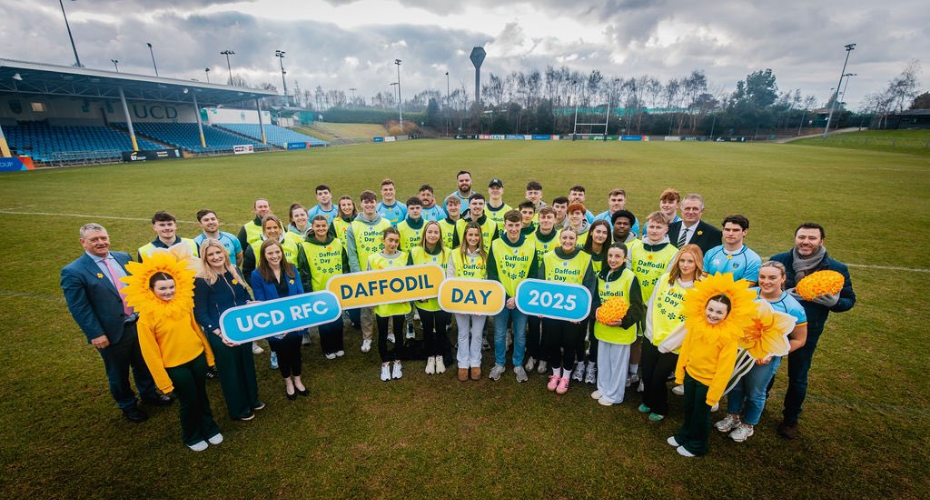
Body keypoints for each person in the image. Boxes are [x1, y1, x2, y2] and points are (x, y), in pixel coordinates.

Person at [61, 223, 170, 424]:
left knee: (144, 363)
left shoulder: (123, 257)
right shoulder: (73, 271)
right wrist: (95, 333)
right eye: (94, 239)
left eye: (103, 238)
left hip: (138, 325)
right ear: (82, 242)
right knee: (118, 372)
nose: (101, 242)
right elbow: (79, 307)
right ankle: (128, 405)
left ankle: (149, 395)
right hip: (110, 332)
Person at [121, 251, 221, 452]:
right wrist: (163, 383)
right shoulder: (146, 319)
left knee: (202, 395)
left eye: (171, 287)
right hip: (176, 367)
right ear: (151, 289)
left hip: (197, 359)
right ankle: (192, 435)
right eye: (162, 288)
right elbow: (150, 354)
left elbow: (198, 332)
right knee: (188, 401)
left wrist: (209, 356)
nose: (168, 292)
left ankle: (209, 428)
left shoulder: (184, 305)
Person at [771, 222, 855, 439]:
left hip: (808, 329)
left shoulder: (836, 269)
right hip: (777, 324)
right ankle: (756, 406)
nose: (805, 242)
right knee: (767, 368)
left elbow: (849, 300)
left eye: (811, 238)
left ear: (821, 241)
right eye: (801, 237)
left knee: (798, 375)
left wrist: (834, 303)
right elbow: (764, 284)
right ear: (795, 238)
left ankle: (790, 419)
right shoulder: (780, 260)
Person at [715, 261, 808, 443]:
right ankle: (733, 416)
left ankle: (748, 425)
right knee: (736, 384)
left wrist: (772, 353)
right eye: (762, 277)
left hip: (764, 358)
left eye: (772, 278)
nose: (766, 281)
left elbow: (800, 339)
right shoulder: (747, 295)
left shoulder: (793, 307)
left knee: (755, 391)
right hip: (739, 351)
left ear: (783, 279)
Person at [193, 239, 263, 421]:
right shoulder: (202, 280)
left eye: (218, 253)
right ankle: (239, 409)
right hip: (221, 333)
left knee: (246, 364)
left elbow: (243, 295)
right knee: (230, 371)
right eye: (211, 255)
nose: (216, 257)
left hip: (242, 327)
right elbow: (200, 313)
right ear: (205, 258)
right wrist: (218, 332)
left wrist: (249, 302)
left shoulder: (233, 270)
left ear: (224, 253)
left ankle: (252, 399)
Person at [669, 293, 741, 458]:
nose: (713, 315)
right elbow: (685, 350)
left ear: (727, 314)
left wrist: (714, 395)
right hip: (691, 376)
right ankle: (684, 435)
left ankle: (697, 445)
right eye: (710, 309)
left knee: (700, 414)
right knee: (688, 408)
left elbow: (725, 369)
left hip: (707, 383)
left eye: (719, 312)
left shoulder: (729, 337)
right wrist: (680, 375)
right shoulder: (696, 325)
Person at [640, 245, 703, 422]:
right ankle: (647, 400)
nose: (685, 265)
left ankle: (660, 407)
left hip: (674, 343)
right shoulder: (665, 279)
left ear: (697, 263)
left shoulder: (700, 288)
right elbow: (652, 304)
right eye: (682, 260)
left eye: (690, 261)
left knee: (659, 377)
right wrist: (650, 331)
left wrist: (671, 342)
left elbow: (690, 323)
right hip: (652, 336)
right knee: (647, 373)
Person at [538, 227, 596, 395]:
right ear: (560, 238)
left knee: (570, 344)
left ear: (576, 239)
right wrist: (541, 308)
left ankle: (566, 376)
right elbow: (541, 282)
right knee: (553, 343)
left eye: (571, 238)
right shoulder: (548, 257)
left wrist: (581, 312)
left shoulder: (585, 258)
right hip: (552, 311)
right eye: (565, 237)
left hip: (573, 313)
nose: (568, 241)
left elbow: (589, 286)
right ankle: (556, 374)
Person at [250, 239, 308, 400]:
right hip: (275, 323)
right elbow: (261, 301)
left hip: (295, 319)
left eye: (277, 252)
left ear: (281, 252)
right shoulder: (257, 274)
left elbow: (300, 293)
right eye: (270, 253)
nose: (275, 256)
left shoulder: (291, 268)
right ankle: (288, 382)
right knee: (282, 354)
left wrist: (299, 319)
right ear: (264, 255)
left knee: (295, 351)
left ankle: (297, 379)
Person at [627, 212, 678, 387]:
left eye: (658, 227)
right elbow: (627, 274)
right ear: (646, 227)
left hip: (654, 306)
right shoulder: (634, 247)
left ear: (666, 229)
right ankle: (632, 372)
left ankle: (645, 377)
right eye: (651, 226)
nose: (654, 230)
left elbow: (667, 281)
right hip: (633, 303)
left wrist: (652, 302)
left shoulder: (673, 252)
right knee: (633, 338)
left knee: (650, 342)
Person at [487, 210, 538, 382]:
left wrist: (517, 297)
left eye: (517, 225)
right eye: (510, 225)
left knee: (520, 333)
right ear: (505, 225)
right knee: (500, 333)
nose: (514, 229)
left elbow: (533, 274)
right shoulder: (495, 245)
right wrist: (505, 295)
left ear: (522, 224)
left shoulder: (531, 245)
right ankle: (499, 363)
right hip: (501, 298)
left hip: (521, 300)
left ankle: (518, 364)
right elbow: (492, 273)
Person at [590, 242, 644, 406]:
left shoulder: (630, 277)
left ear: (625, 258)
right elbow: (595, 299)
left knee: (618, 364)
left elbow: (637, 307)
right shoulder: (601, 275)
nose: (613, 260)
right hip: (603, 328)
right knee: (604, 361)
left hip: (621, 331)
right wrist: (596, 312)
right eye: (610, 256)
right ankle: (603, 387)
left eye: (617, 256)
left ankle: (615, 395)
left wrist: (623, 321)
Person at [346, 190, 392, 353]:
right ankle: (367, 337)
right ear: (361, 204)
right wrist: (358, 274)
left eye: (372, 201)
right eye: (366, 201)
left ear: (376, 203)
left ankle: (390, 332)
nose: (369, 204)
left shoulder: (386, 223)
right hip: (364, 274)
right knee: (366, 308)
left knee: (387, 304)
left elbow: (392, 247)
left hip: (384, 271)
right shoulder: (353, 226)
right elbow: (352, 254)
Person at [298, 215, 349, 359]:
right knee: (324, 322)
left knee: (338, 320)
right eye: (317, 226)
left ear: (327, 226)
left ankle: (338, 345)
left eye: (323, 226)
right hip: (318, 290)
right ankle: (328, 348)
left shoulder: (338, 243)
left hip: (336, 289)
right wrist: (308, 292)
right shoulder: (305, 246)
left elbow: (345, 266)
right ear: (312, 227)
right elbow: (304, 271)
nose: (321, 228)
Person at [448, 222, 489, 381]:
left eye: (476, 235)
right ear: (465, 235)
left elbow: (488, 280)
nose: (473, 238)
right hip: (460, 302)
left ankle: (475, 362)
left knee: (477, 334)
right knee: (463, 333)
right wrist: (459, 303)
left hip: (480, 303)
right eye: (470, 234)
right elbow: (450, 278)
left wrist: (482, 304)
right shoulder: (455, 253)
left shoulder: (486, 255)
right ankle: (463, 364)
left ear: (480, 237)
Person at [408, 221, 451, 374]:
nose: (433, 235)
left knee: (441, 330)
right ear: (425, 234)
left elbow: (453, 277)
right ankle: (429, 357)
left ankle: (439, 356)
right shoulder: (415, 252)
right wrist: (418, 296)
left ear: (440, 235)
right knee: (426, 330)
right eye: (430, 232)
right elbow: (410, 276)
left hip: (442, 302)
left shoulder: (449, 252)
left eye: (436, 232)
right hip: (424, 302)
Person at [369, 227, 410, 381]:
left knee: (399, 332)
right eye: (390, 240)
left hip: (400, 305)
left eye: (396, 241)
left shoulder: (404, 257)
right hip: (383, 305)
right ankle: (385, 363)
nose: (393, 244)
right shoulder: (373, 258)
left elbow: (410, 280)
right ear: (383, 240)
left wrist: (408, 295)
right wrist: (371, 300)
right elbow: (368, 281)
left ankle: (397, 361)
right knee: (383, 333)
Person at [525, 206, 559, 375]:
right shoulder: (529, 238)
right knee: (532, 324)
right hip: (533, 288)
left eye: (549, 217)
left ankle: (544, 358)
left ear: (555, 219)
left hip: (552, 289)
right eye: (543, 217)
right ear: (538, 219)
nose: (546, 220)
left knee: (548, 325)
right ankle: (532, 354)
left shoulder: (561, 237)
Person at [577, 219, 611, 384]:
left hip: (601, 303)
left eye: (604, 232)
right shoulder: (581, 252)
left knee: (596, 336)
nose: (601, 235)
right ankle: (580, 363)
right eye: (598, 231)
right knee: (579, 334)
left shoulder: (609, 255)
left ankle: (591, 365)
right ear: (591, 232)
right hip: (583, 300)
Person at [241, 215, 304, 288]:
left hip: (292, 289)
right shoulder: (253, 248)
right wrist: (259, 287)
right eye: (268, 228)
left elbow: (301, 268)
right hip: (269, 292)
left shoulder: (292, 244)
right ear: (264, 230)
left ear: (280, 229)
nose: (272, 231)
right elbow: (247, 273)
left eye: (275, 227)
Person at [703, 214, 762, 286]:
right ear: (723, 231)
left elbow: (747, 286)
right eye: (727, 230)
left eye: (735, 230)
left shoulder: (753, 259)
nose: (730, 233)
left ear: (744, 232)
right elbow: (703, 278)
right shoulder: (711, 253)